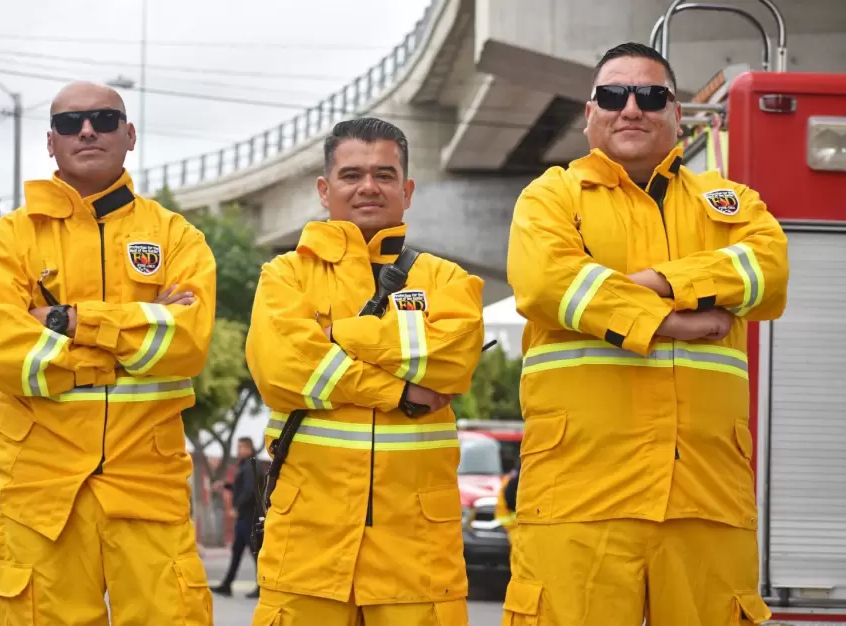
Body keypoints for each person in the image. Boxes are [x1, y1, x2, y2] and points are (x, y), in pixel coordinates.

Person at [503, 42, 789, 626]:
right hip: (580, 496)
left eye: (651, 95)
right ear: (590, 114)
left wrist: (659, 281)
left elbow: (769, 271)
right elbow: (545, 282)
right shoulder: (550, 197)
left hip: (705, 499)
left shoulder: (728, 203)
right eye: (614, 94)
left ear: (677, 114)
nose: (631, 107)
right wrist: (670, 321)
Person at [0, 81, 216, 625]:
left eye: (104, 119)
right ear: (50, 143)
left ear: (129, 136)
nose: (87, 130)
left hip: (147, 488)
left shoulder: (178, 238)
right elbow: (5, 355)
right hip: (43, 495)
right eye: (69, 122)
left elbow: (188, 343)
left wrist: (64, 320)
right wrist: (131, 337)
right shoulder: (4, 243)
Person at [246, 117, 486, 626]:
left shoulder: (448, 279)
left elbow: (452, 360)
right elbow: (282, 370)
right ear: (324, 188)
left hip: (416, 556)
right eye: (352, 174)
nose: (368, 187)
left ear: (408, 189)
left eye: (384, 174)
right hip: (308, 549)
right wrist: (399, 392)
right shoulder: (284, 274)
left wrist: (337, 335)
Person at [211, 436, 260, 599]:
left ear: (248, 448)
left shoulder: (249, 467)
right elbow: (242, 488)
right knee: (238, 550)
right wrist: (225, 485)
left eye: (240, 447)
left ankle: (263, 585)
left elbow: (249, 490)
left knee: (255, 552)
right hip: (246, 516)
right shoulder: (248, 465)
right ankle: (227, 585)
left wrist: (236, 507)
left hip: (249, 516)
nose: (238, 450)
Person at [494, 468, 518, 542]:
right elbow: (510, 500)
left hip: (511, 523)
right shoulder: (515, 478)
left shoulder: (510, 477)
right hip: (515, 523)